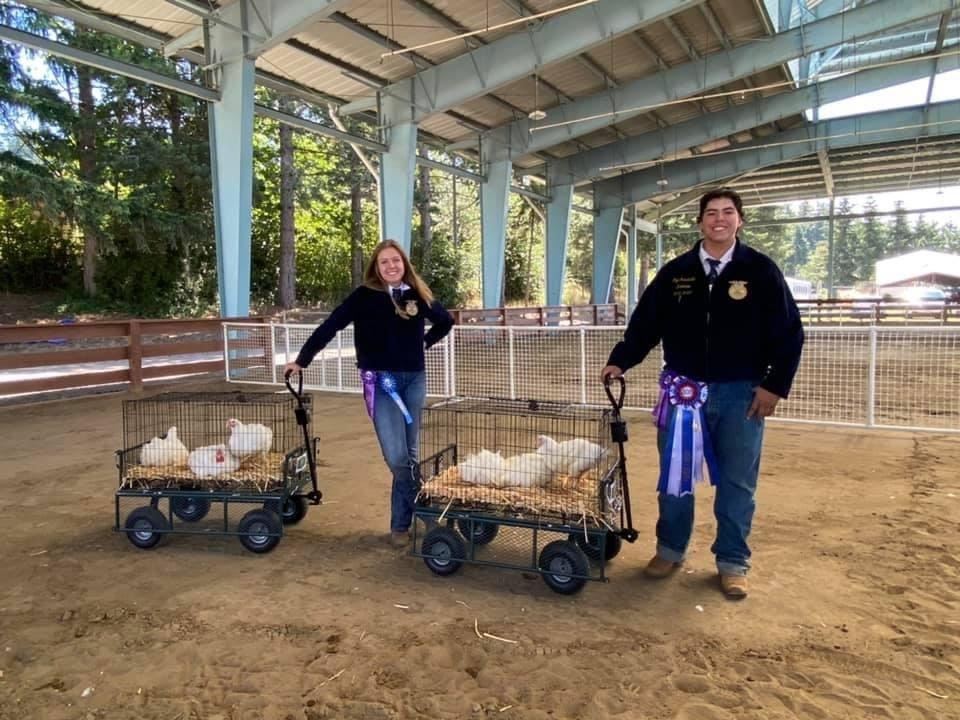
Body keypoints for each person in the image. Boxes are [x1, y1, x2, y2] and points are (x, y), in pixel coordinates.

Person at [601, 188, 803, 599]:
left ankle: (732, 561)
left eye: (728, 212)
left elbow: (789, 334)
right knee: (676, 478)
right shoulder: (677, 272)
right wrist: (621, 359)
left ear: (740, 220)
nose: (719, 219)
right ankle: (670, 549)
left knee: (737, 482)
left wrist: (774, 387)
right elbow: (645, 325)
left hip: (741, 394)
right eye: (711, 213)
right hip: (682, 393)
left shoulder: (762, 271)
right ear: (700, 222)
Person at [285, 239, 454, 548]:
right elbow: (330, 325)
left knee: (410, 456)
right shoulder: (364, 297)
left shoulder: (416, 293)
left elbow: (445, 321)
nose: (391, 266)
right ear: (376, 268)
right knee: (397, 457)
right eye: (384, 262)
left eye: (396, 261)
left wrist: (424, 343)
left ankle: (400, 526)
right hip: (382, 384)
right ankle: (428, 513)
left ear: (404, 264)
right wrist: (302, 359)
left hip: (413, 382)